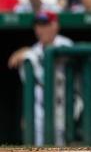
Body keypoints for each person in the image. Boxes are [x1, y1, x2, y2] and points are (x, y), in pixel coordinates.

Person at [7, 11, 74, 146]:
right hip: (39, 107)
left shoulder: (65, 43)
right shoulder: (34, 49)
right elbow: (12, 61)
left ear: (55, 26)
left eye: (44, 24)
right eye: (37, 25)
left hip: (61, 106)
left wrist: (26, 51)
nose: (39, 30)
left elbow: (54, 53)